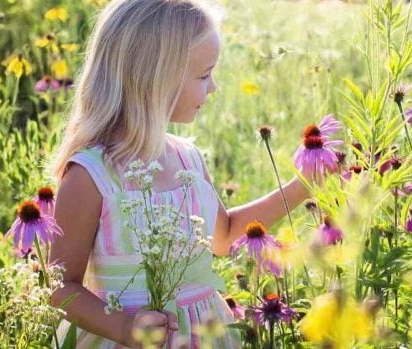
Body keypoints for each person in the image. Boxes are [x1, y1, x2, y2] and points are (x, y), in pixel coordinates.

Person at [48, 0, 312, 347]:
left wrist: (303, 185)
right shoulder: (92, 175)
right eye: (204, 75)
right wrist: (125, 328)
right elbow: (60, 287)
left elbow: (225, 235)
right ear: (155, 79)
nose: (213, 87)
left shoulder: (188, 158)